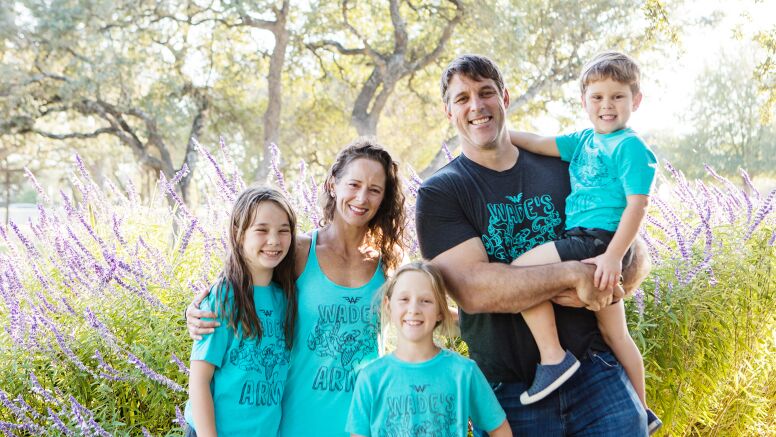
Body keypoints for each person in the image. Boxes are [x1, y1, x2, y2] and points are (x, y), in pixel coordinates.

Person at [415, 54, 651, 436]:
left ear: (505, 98)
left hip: (596, 373)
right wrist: (574, 276)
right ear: (449, 111)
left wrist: (617, 275)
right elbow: (474, 290)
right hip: (512, 393)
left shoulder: (561, 165)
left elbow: (621, 233)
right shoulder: (441, 193)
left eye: (486, 93)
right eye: (462, 98)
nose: (476, 106)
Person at [186, 138, 406, 437]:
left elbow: (424, 311)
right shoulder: (299, 251)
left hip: (363, 424)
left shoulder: (391, 261)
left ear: (384, 197)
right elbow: (247, 276)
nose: (362, 197)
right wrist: (198, 309)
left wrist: (471, 321)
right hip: (295, 423)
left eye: (375, 189)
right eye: (354, 184)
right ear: (333, 185)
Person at [507, 51, 661, 433]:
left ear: (636, 100)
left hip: (598, 243)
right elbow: (539, 141)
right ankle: (643, 412)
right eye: (598, 97)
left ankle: (553, 357)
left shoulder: (630, 147)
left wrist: (613, 256)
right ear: (584, 101)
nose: (607, 105)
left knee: (517, 273)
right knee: (615, 334)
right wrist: (499, 134)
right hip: (594, 246)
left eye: (617, 96)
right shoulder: (582, 141)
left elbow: (638, 206)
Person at [346, 261, 511, 437]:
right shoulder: (371, 378)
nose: (414, 309)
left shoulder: (464, 372)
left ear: (440, 310)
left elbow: (500, 430)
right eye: (404, 299)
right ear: (388, 306)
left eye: (425, 301)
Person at [184, 187, 298, 436]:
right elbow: (200, 380)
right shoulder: (224, 298)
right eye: (262, 230)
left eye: (283, 230)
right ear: (238, 234)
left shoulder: (286, 298)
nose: (274, 240)